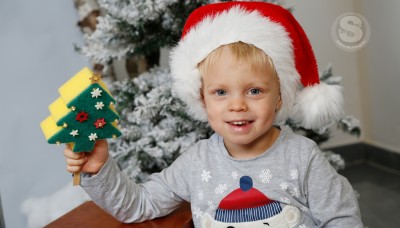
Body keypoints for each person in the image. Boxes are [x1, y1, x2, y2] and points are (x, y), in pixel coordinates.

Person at [64, 2, 363, 227]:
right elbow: (138, 205)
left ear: (280, 96)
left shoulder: (303, 157)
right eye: (221, 92)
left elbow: (342, 219)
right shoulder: (196, 162)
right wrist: (98, 169)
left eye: (254, 91)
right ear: (201, 99)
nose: (237, 105)